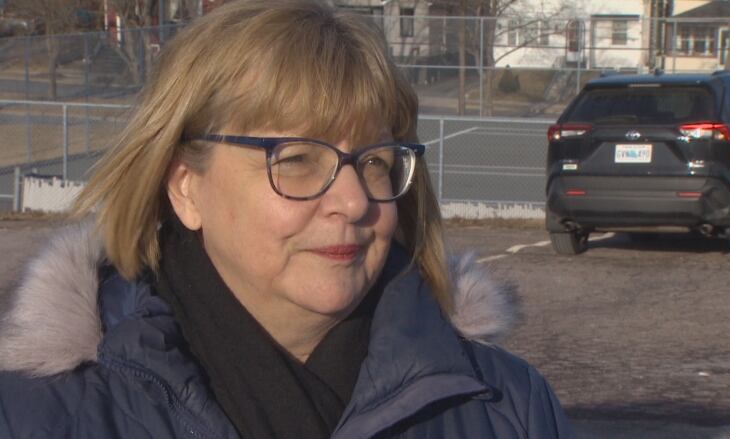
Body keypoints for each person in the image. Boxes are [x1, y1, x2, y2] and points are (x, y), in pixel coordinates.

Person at [0, 1, 574, 438]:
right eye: (297, 160)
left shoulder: (507, 406)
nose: (354, 203)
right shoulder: (41, 413)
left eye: (374, 161)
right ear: (185, 187)